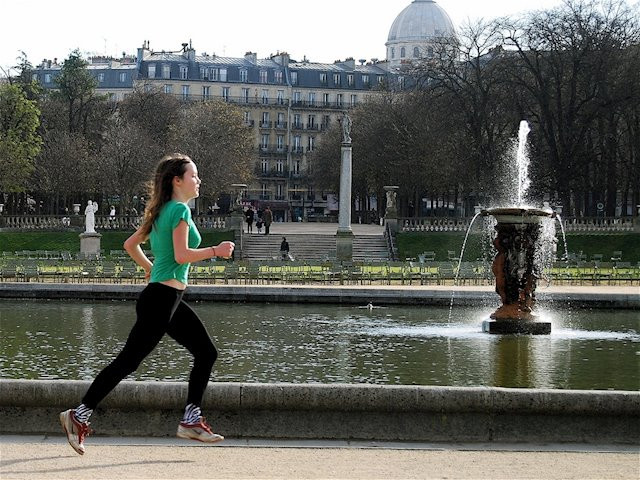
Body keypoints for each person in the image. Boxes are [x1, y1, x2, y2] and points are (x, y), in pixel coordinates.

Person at [59, 153, 235, 455]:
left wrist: (149, 267)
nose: (198, 180)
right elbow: (182, 255)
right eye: (193, 175)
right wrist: (215, 251)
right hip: (162, 299)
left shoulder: (161, 210)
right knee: (128, 361)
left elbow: (131, 245)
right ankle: (79, 414)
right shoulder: (179, 210)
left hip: (166, 298)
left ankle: (191, 419)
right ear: (177, 181)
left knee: (205, 352)